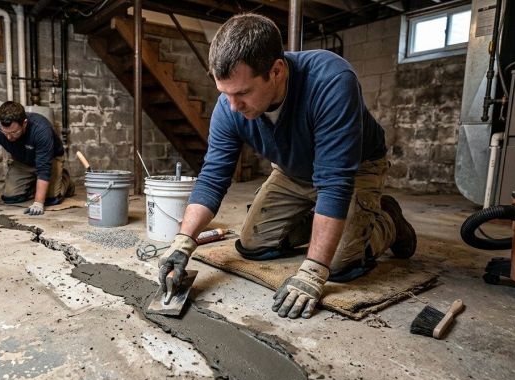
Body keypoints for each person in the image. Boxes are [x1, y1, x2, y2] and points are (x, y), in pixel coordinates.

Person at [158, 13, 417, 319]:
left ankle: (387, 220)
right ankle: (326, 221)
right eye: (224, 93)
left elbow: (335, 183)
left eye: (242, 93)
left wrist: (313, 270)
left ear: (277, 71)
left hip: (355, 169)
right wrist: (183, 242)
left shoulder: (331, 80)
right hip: (293, 170)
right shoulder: (229, 107)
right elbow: (213, 177)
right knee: (252, 244)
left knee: (337, 265)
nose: (233, 106)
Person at [0, 101, 73, 216]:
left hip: (50, 159)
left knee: (50, 200)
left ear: (24, 123)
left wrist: (38, 202)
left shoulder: (41, 129)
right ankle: (34, 185)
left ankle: (65, 179)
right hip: (23, 161)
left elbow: (44, 169)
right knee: (10, 198)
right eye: (5, 132)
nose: (9, 137)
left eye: (14, 132)